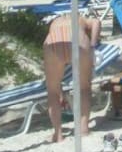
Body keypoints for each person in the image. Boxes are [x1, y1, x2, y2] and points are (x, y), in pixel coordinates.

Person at [43, 14, 101, 143]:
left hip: (53, 40)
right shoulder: (82, 18)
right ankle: (83, 128)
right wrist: (92, 45)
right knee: (84, 88)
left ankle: (58, 135)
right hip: (77, 38)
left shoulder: (56, 22)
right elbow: (96, 22)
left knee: (53, 91)